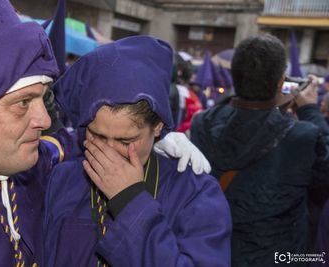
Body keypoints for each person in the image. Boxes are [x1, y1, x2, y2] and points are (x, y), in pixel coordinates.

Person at [0, 1, 211, 265]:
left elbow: (68, 141)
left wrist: (150, 136)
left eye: (43, 98)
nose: (43, 119)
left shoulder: (36, 170)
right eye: (23, 102)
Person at [44, 36, 232, 267]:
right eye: (98, 136)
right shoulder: (62, 178)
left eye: (126, 140)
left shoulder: (195, 192)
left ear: (159, 126)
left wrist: (130, 201)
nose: (109, 151)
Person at [190, 34, 329, 267]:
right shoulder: (303, 136)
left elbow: (240, 121)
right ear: (280, 82)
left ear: (234, 78)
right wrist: (309, 110)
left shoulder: (202, 125)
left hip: (217, 252)